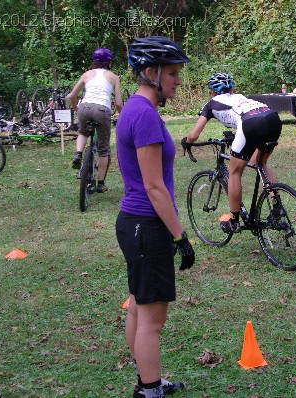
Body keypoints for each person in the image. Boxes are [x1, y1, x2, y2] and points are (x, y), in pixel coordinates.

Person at [115, 36, 195, 398]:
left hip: (134, 224)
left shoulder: (134, 108)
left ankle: (146, 379)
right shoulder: (145, 114)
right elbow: (154, 186)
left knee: (138, 305)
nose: (178, 80)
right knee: (152, 318)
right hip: (147, 225)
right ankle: (149, 391)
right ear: (151, 72)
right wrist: (180, 236)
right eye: (173, 73)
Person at [182, 72, 283, 233]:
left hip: (250, 123)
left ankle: (234, 219)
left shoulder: (211, 103)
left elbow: (194, 135)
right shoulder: (240, 97)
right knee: (261, 163)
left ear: (212, 91)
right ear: (232, 88)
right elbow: (246, 116)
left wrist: (186, 142)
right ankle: (277, 206)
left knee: (234, 172)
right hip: (272, 119)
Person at [70, 48, 123, 193]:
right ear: (109, 62)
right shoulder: (113, 77)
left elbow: (72, 96)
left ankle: (78, 153)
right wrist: (123, 115)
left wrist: (77, 110)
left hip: (85, 107)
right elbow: (118, 103)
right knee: (103, 149)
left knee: (82, 132)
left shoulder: (87, 74)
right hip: (102, 110)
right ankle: (100, 183)